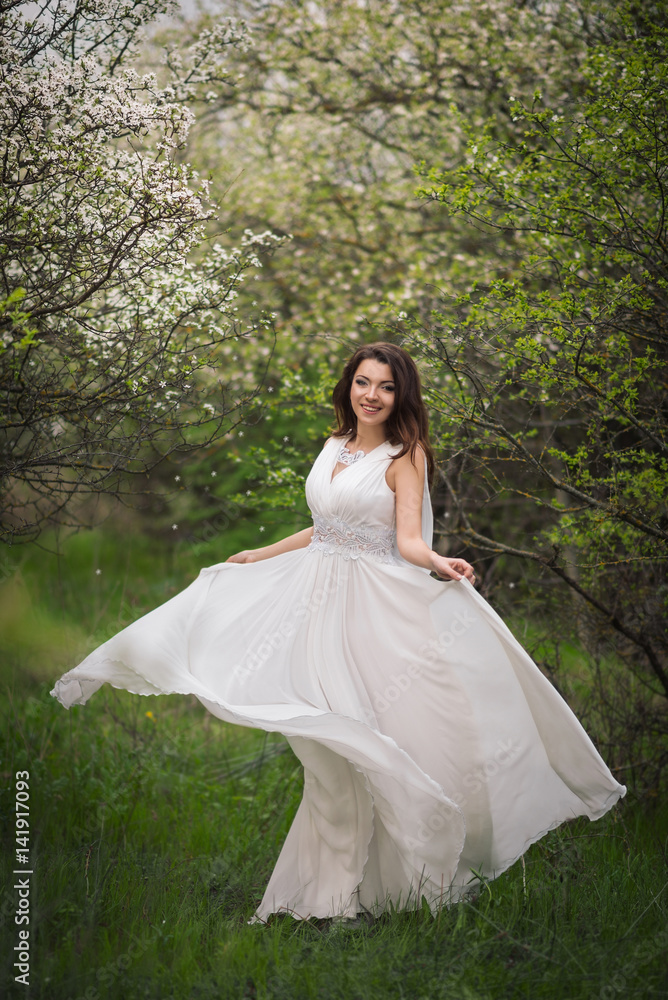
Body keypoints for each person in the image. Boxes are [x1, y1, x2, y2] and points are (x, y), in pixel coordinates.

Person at [51, 341, 626, 924]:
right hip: (311, 606)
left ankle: (382, 888)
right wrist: (261, 553)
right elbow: (326, 526)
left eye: (385, 387)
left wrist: (438, 563)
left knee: (362, 740)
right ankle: (327, 896)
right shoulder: (333, 446)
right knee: (323, 750)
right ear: (348, 387)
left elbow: (405, 540)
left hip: (367, 610)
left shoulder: (407, 456)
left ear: (401, 396)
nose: (371, 395)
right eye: (363, 382)